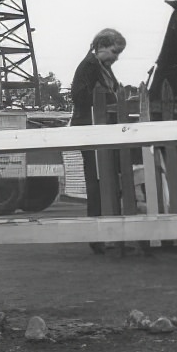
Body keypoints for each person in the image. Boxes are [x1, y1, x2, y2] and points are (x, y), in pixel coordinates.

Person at [70, 28, 126, 254]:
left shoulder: (102, 68)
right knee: (96, 182)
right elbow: (78, 96)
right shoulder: (89, 67)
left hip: (99, 128)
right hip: (90, 127)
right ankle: (97, 235)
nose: (116, 57)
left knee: (106, 181)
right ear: (101, 47)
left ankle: (105, 233)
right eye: (114, 51)